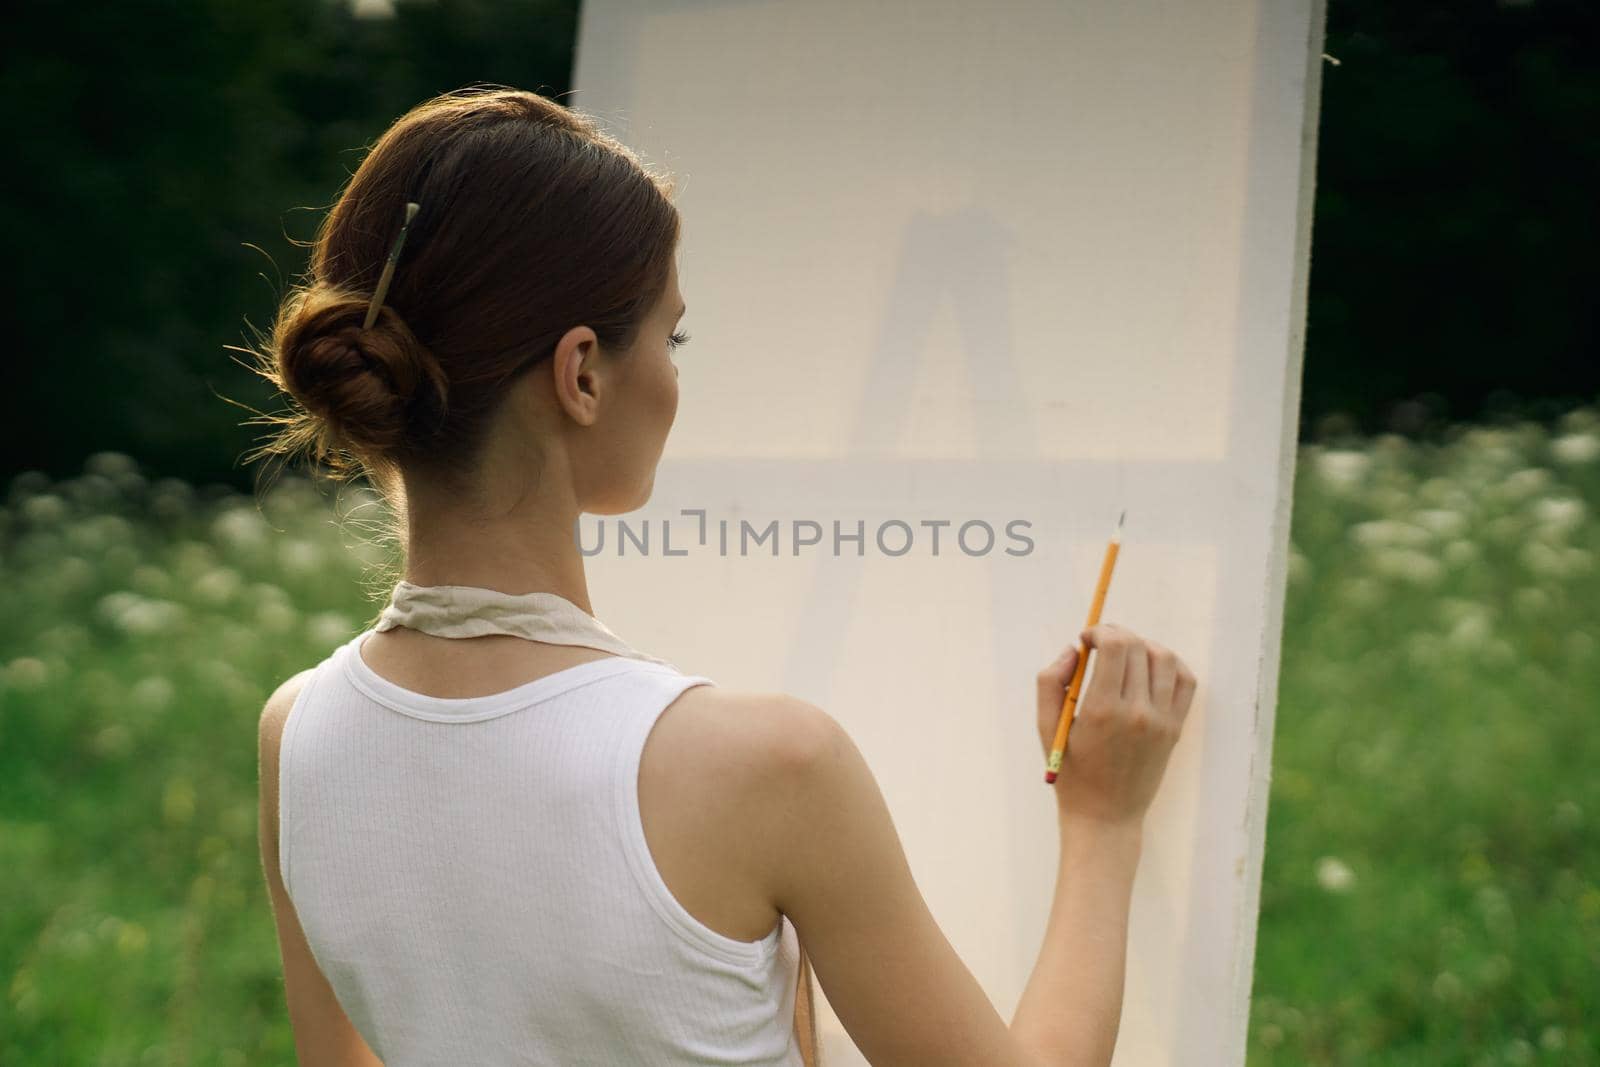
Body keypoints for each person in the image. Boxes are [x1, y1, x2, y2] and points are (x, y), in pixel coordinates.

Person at [250, 85, 1198, 1067]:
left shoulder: (299, 733)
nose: (674, 375)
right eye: (674, 335)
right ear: (580, 373)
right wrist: (1103, 820)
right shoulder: (764, 764)